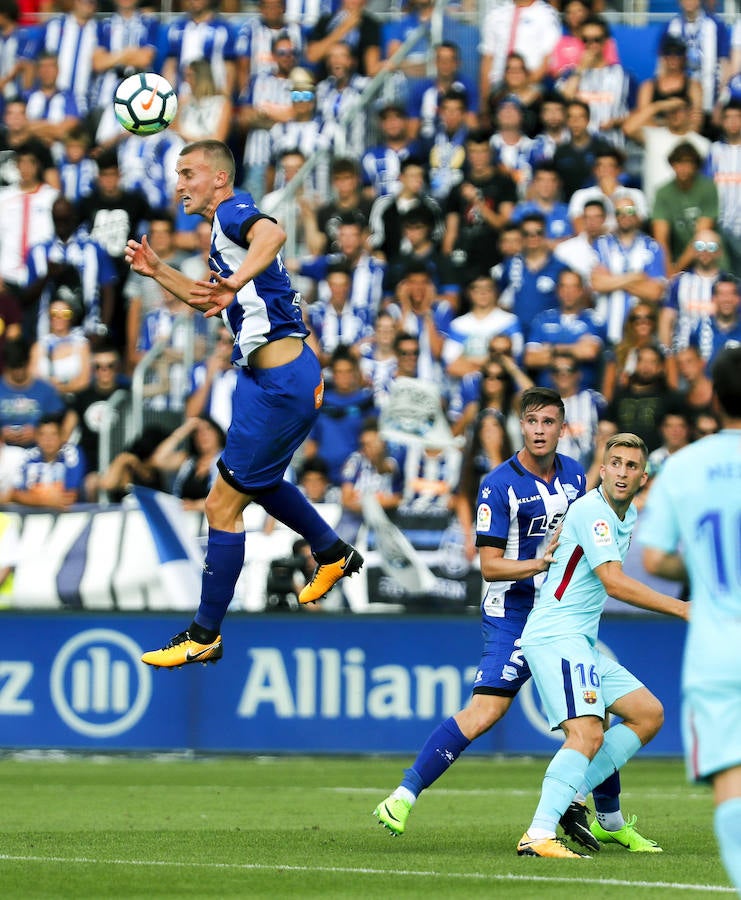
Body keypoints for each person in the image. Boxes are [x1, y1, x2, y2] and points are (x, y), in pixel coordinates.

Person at [374, 388, 656, 852]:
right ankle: (404, 794)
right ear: (521, 427)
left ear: (564, 429)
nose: (540, 430)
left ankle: (606, 816)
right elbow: (488, 565)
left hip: (561, 612)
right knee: (488, 710)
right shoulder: (498, 483)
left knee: (597, 710)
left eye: (549, 422)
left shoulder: (573, 477)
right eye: (532, 422)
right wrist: (537, 565)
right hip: (514, 614)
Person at [124, 139, 364, 669]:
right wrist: (158, 268)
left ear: (220, 179)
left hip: (282, 382)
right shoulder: (220, 229)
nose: (179, 183)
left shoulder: (235, 212)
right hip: (269, 378)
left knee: (221, 504)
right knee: (257, 481)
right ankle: (332, 551)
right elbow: (207, 298)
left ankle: (205, 633)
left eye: (189, 172)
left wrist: (234, 279)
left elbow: (273, 234)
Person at [517, 432, 689, 858]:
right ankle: (538, 834)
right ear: (603, 468)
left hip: (580, 640)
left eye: (632, 466)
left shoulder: (624, 516)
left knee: (647, 714)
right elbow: (613, 582)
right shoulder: (594, 511)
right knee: (587, 731)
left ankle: (572, 795)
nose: (623, 472)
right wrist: (683, 608)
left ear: (643, 477)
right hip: (557, 634)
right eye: (616, 463)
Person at [640, 346, 741, 894]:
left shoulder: (684, 465)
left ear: (714, 397)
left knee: (733, 782)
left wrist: (700, 563)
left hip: (719, 650)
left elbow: (655, 559)